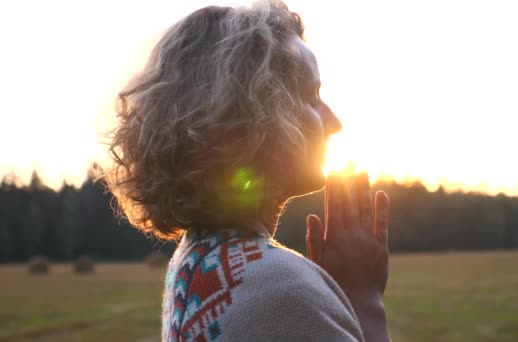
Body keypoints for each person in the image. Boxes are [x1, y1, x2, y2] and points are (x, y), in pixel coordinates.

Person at [104, 1, 391, 341]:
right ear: (252, 119)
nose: (335, 122)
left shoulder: (195, 261)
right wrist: (363, 301)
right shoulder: (280, 287)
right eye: (311, 97)